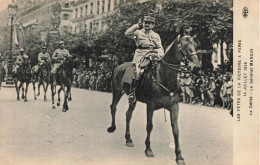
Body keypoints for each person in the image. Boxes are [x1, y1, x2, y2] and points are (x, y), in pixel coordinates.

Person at [125, 13, 164, 103]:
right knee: (138, 71)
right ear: (142, 23)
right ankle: (133, 93)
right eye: (145, 22)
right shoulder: (138, 33)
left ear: (153, 25)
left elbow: (160, 47)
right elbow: (127, 33)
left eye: (149, 23)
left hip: (154, 56)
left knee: (161, 71)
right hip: (141, 56)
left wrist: (160, 55)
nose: (147, 24)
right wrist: (137, 26)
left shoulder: (156, 35)